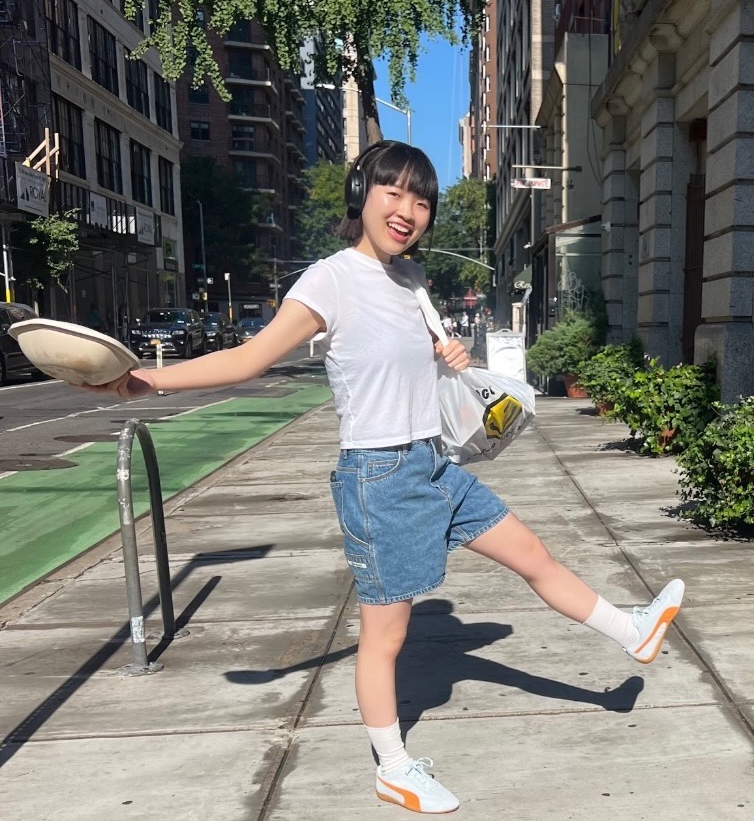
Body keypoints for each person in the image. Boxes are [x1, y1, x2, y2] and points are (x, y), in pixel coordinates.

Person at [79, 141, 685, 815]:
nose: (407, 211)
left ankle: (632, 631)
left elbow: (413, 366)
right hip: (381, 476)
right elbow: (250, 359)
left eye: (421, 201)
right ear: (360, 194)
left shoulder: (412, 280)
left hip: (433, 462)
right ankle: (394, 770)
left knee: (532, 554)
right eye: (393, 193)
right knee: (386, 636)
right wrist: (144, 382)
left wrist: (450, 353)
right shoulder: (329, 280)